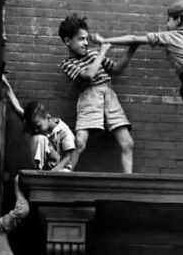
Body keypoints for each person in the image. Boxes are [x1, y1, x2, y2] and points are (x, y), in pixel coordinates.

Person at [96, 0, 183, 177]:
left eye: (169, 19)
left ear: (178, 20)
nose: (166, 23)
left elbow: (133, 39)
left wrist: (104, 40)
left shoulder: (168, 36)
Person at [58, 13, 137, 173]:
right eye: (81, 39)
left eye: (87, 39)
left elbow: (116, 69)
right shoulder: (68, 64)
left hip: (109, 94)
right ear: (67, 41)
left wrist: (131, 51)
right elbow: (88, 76)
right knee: (79, 143)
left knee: (128, 143)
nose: (86, 43)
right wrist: (102, 52)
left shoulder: (93, 54)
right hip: (89, 97)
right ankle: (65, 174)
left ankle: (128, 181)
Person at [2, 75, 76, 171]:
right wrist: (5, 83)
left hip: (61, 169)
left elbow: (67, 158)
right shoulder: (36, 122)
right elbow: (17, 107)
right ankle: (38, 171)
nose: (35, 130)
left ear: (48, 118)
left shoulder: (64, 131)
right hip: (46, 168)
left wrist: (52, 173)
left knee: (40, 138)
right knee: (38, 138)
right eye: (33, 127)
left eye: (38, 126)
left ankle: (42, 174)